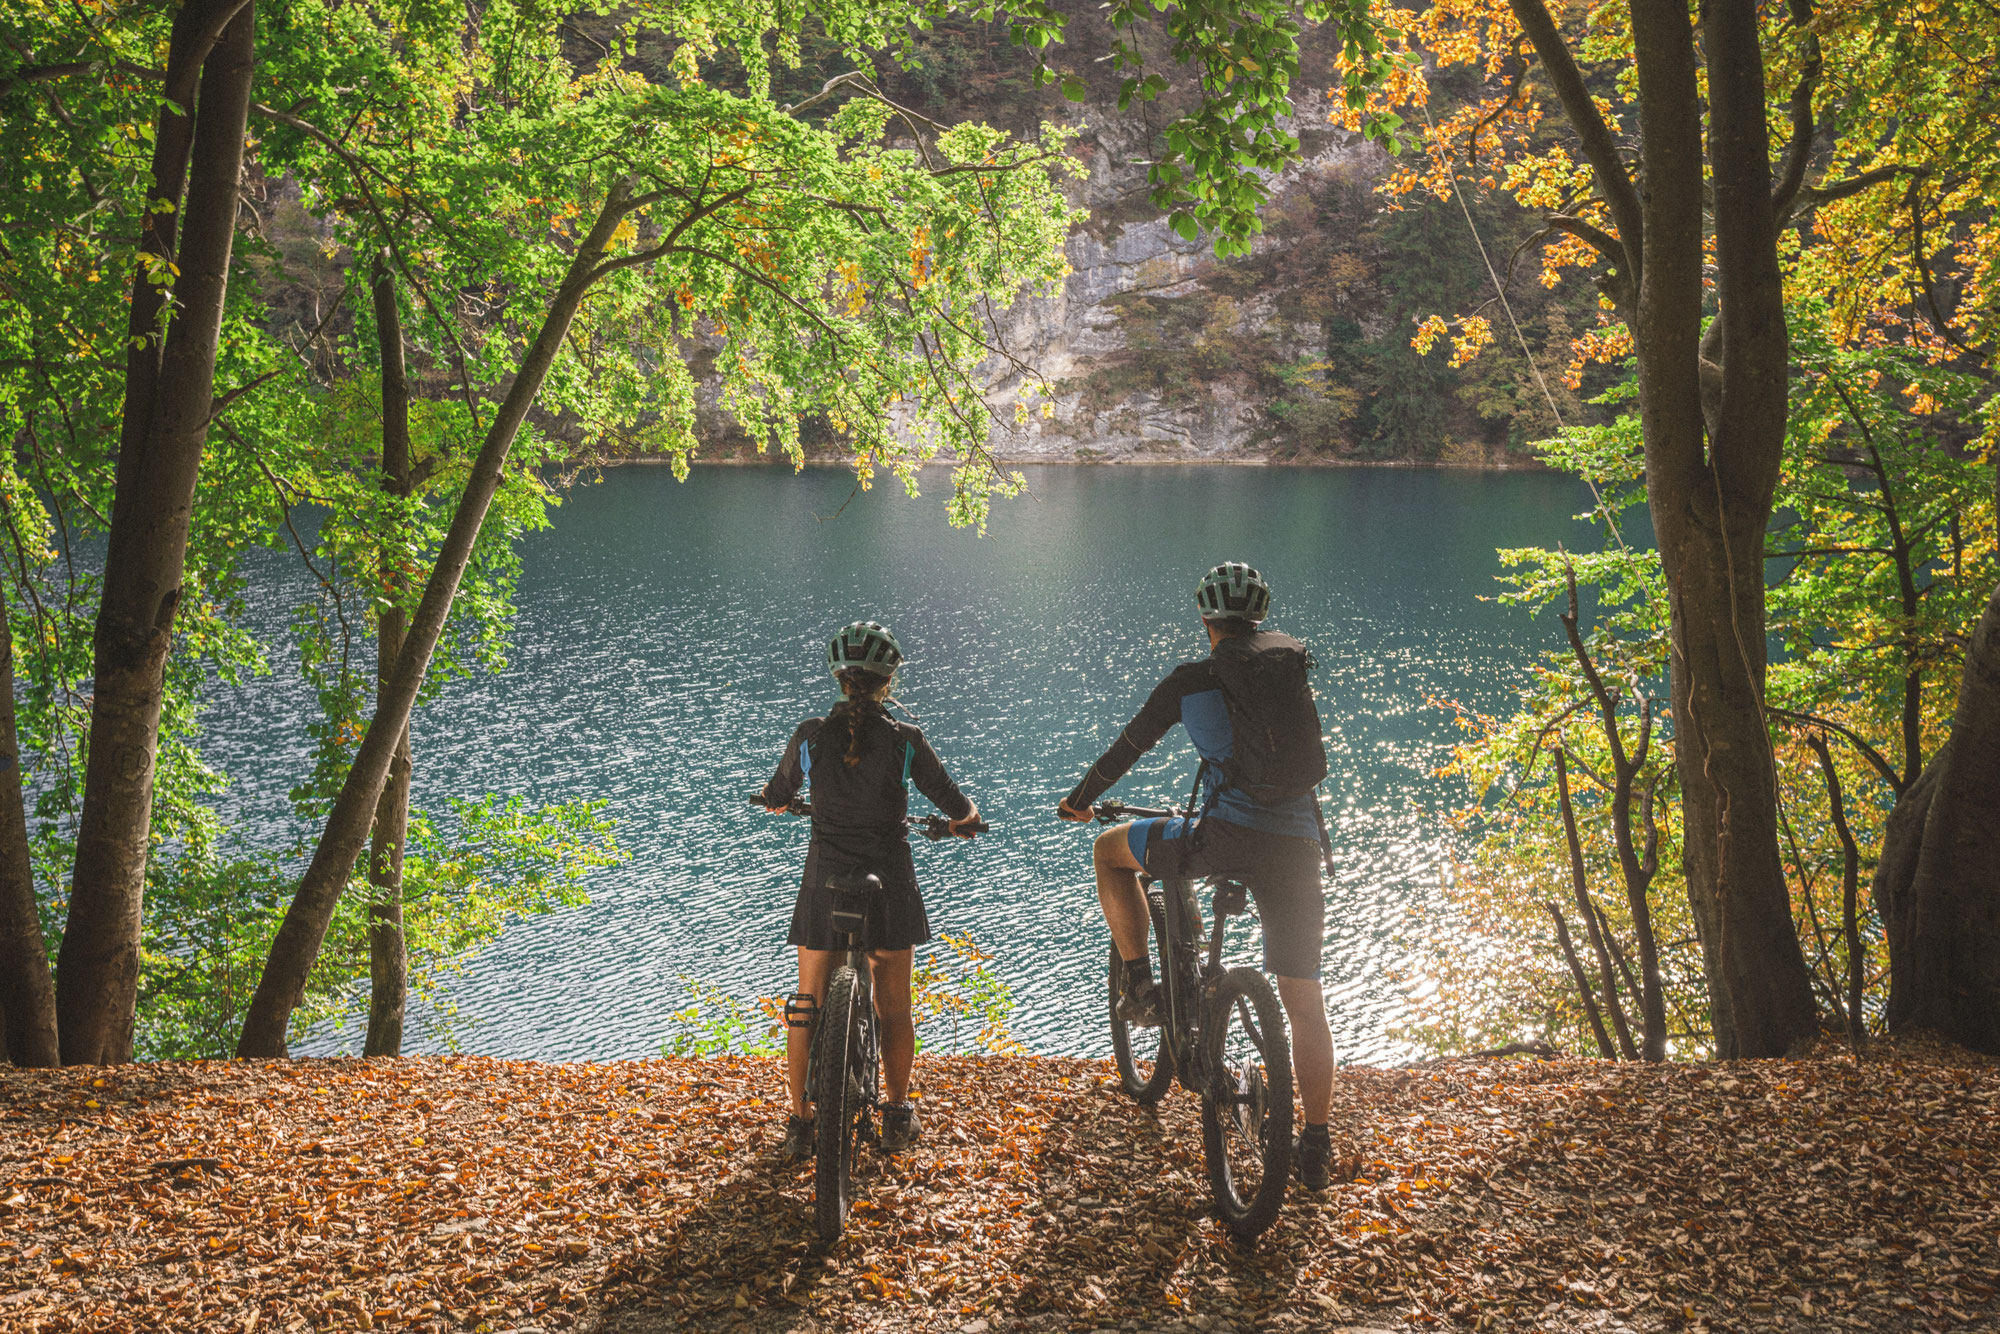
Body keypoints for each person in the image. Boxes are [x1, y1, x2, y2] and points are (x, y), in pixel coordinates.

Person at [1056, 562, 1339, 1190]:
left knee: (1109, 851)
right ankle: (1316, 1145)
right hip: (1297, 847)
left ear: (1207, 622)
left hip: (1223, 840)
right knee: (1304, 1000)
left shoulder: (1189, 683)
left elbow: (1126, 751)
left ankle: (1140, 984)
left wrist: (1079, 800)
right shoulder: (1289, 671)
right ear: (1258, 621)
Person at [759, 620, 981, 1158]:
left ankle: (800, 1124)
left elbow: (776, 792)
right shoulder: (906, 740)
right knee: (894, 1008)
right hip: (890, 884)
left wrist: (778, 800)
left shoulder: (810, 735)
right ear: (889, 682)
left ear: (839, 679)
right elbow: (954, 802)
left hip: (825, 881)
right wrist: (966, 819)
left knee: (808, 1005)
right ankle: (898, 1114)